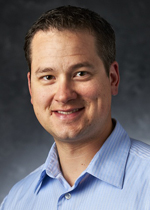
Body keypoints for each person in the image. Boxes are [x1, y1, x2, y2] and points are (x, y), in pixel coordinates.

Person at [1, 5, 150, 210]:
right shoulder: (17, 201)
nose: (63, 95)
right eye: (48, 77)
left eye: (80, 73)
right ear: (31, 88)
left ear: (112, 78)